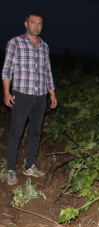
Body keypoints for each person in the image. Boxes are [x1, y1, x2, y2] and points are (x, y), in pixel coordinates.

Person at [2, 11, 57, 185]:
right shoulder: (15, 43)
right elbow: (7, 69)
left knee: (35, 132)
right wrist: (6, 92)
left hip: (40, 96)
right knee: (16, 133)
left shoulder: (44, 46)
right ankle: (10, 168)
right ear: (26, 24)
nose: (36, 26)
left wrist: (52, 94)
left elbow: (47, 72)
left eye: (39, 23)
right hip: (22, 94)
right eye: (33, 22)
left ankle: (30, 166)